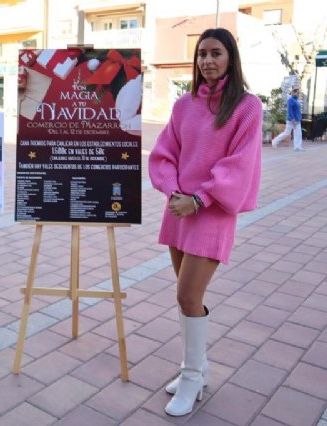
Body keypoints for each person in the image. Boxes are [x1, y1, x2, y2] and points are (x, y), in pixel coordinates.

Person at [148, 28, 262, 417]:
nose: (207, 61)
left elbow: (240, 164)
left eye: (216, 53)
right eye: (201, 55)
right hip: (179, 210)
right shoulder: (183, 106)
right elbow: (165, 153)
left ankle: (193, 375)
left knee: (187, 296)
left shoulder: (246, 106)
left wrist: (199, 198)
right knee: (185, 296)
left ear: (231, 57)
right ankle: (196, 369)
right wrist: (174, 192)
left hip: (210, 212)